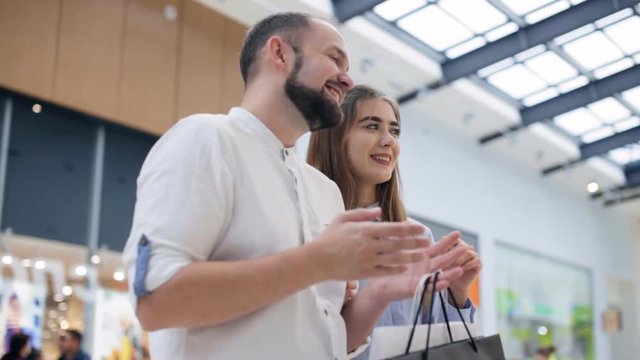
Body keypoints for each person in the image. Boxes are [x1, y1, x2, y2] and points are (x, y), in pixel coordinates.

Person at [122, 12, 463, 360]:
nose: (346, 79)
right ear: (280, 54)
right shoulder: (206, 139)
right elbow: (155, 300)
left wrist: (379, 294)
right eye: (334, 58)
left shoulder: (324, 192)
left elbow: (329, 342)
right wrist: (317, 263)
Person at [307, 85, 482, 358]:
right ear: (335, 136)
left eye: (395, 130)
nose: (389, 140)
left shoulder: (416, 237)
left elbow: (437, 342)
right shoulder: (308, 225)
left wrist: (458, 291)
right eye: (372, 126)